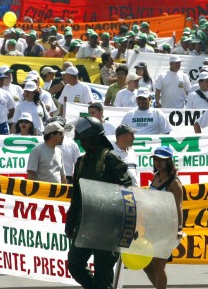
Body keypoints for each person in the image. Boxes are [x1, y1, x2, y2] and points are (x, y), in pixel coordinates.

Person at [65, 117, 133, 288]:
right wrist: (70, 221)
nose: (82, 144)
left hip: (109, 229)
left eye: (84, 140)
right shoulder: (81, 162)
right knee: (74, 264)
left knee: (103, 276)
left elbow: (128, 195)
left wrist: (128, 226)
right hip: (86, 227)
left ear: (94, 138)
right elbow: (77, 197)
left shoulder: (111, 161)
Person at [143, 146, 184, 289]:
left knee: (158, 265)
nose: (158, 163)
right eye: (155, 159)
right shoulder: (156, 176)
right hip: (152, 227)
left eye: (162, 160)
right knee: (147, 265)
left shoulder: (175, 183)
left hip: (167, 228)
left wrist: (179, 229)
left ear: (169, 162)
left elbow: (179, 207)